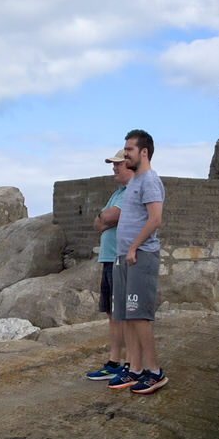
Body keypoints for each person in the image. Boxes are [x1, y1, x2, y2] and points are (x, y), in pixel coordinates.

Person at [107, 129, 167, 394]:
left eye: (129, 149)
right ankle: (135, 368)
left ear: (143, 152)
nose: (125, 153)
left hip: (140, 255)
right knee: (126, 315)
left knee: (139, 315)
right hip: (124, 257)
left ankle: (155, 371)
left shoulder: (150, 181)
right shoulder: (133, 182)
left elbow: (155, 219)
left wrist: (133, 247)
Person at [84, 150, 136, 381]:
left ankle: (129, 364)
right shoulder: (117, 193)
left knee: (123, 314)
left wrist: (106, 218)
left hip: (120, 259)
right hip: (108, 259)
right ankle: (114, 362)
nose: (114, 168)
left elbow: (106, 218)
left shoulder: (133, 191)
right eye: (113, 165)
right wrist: (105, 218)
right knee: (112, 314)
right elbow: (99, 222)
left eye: (118, 164)